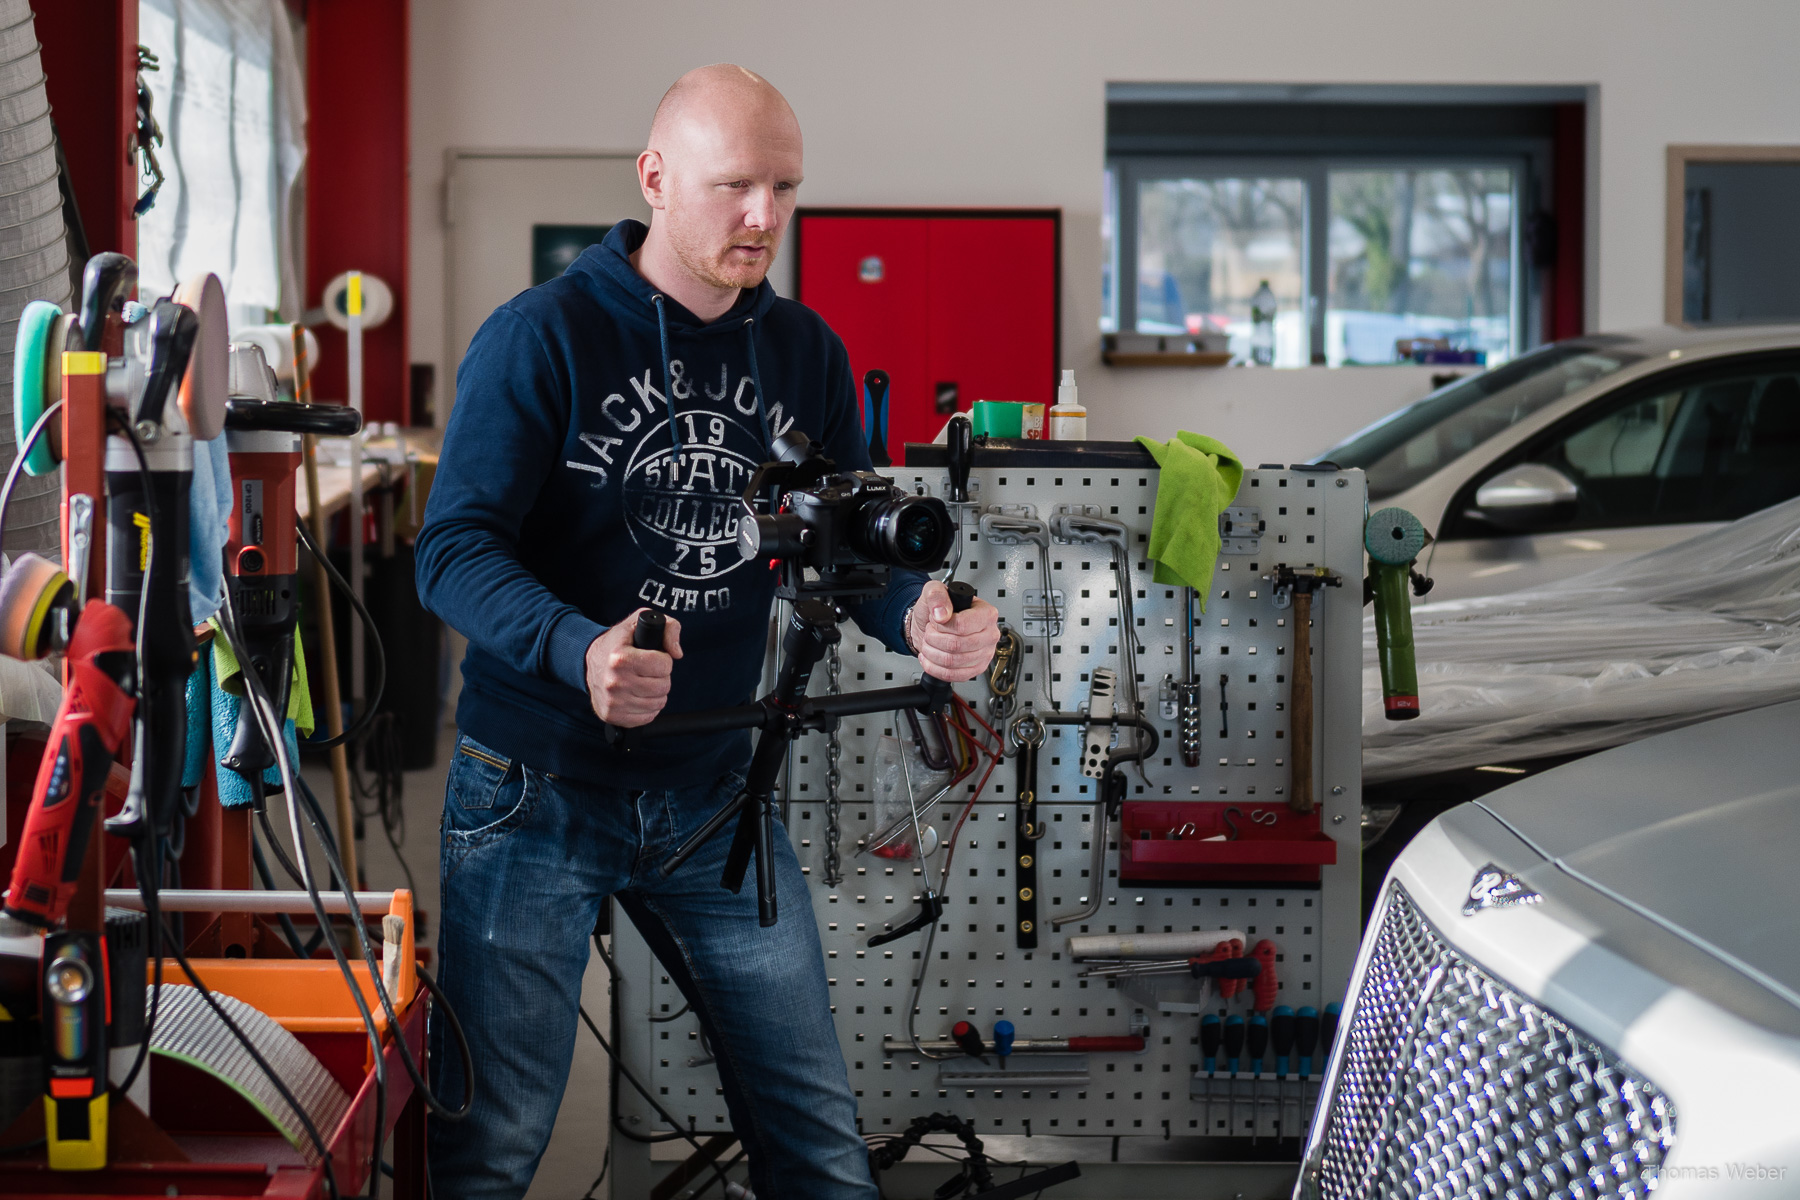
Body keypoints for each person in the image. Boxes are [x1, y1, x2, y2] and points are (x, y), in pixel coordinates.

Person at [414, 64, 1001, 1200]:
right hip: (534, 786)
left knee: (817, 1141)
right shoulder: (542, 337)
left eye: (784, 189)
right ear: (655, 178)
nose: (764, 217)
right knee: (489, 1149)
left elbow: (847, 550)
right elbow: (453, 550)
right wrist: (579, 647)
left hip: (712, 791)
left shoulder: (805, 353)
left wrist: (922, 616)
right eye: (736, 186)